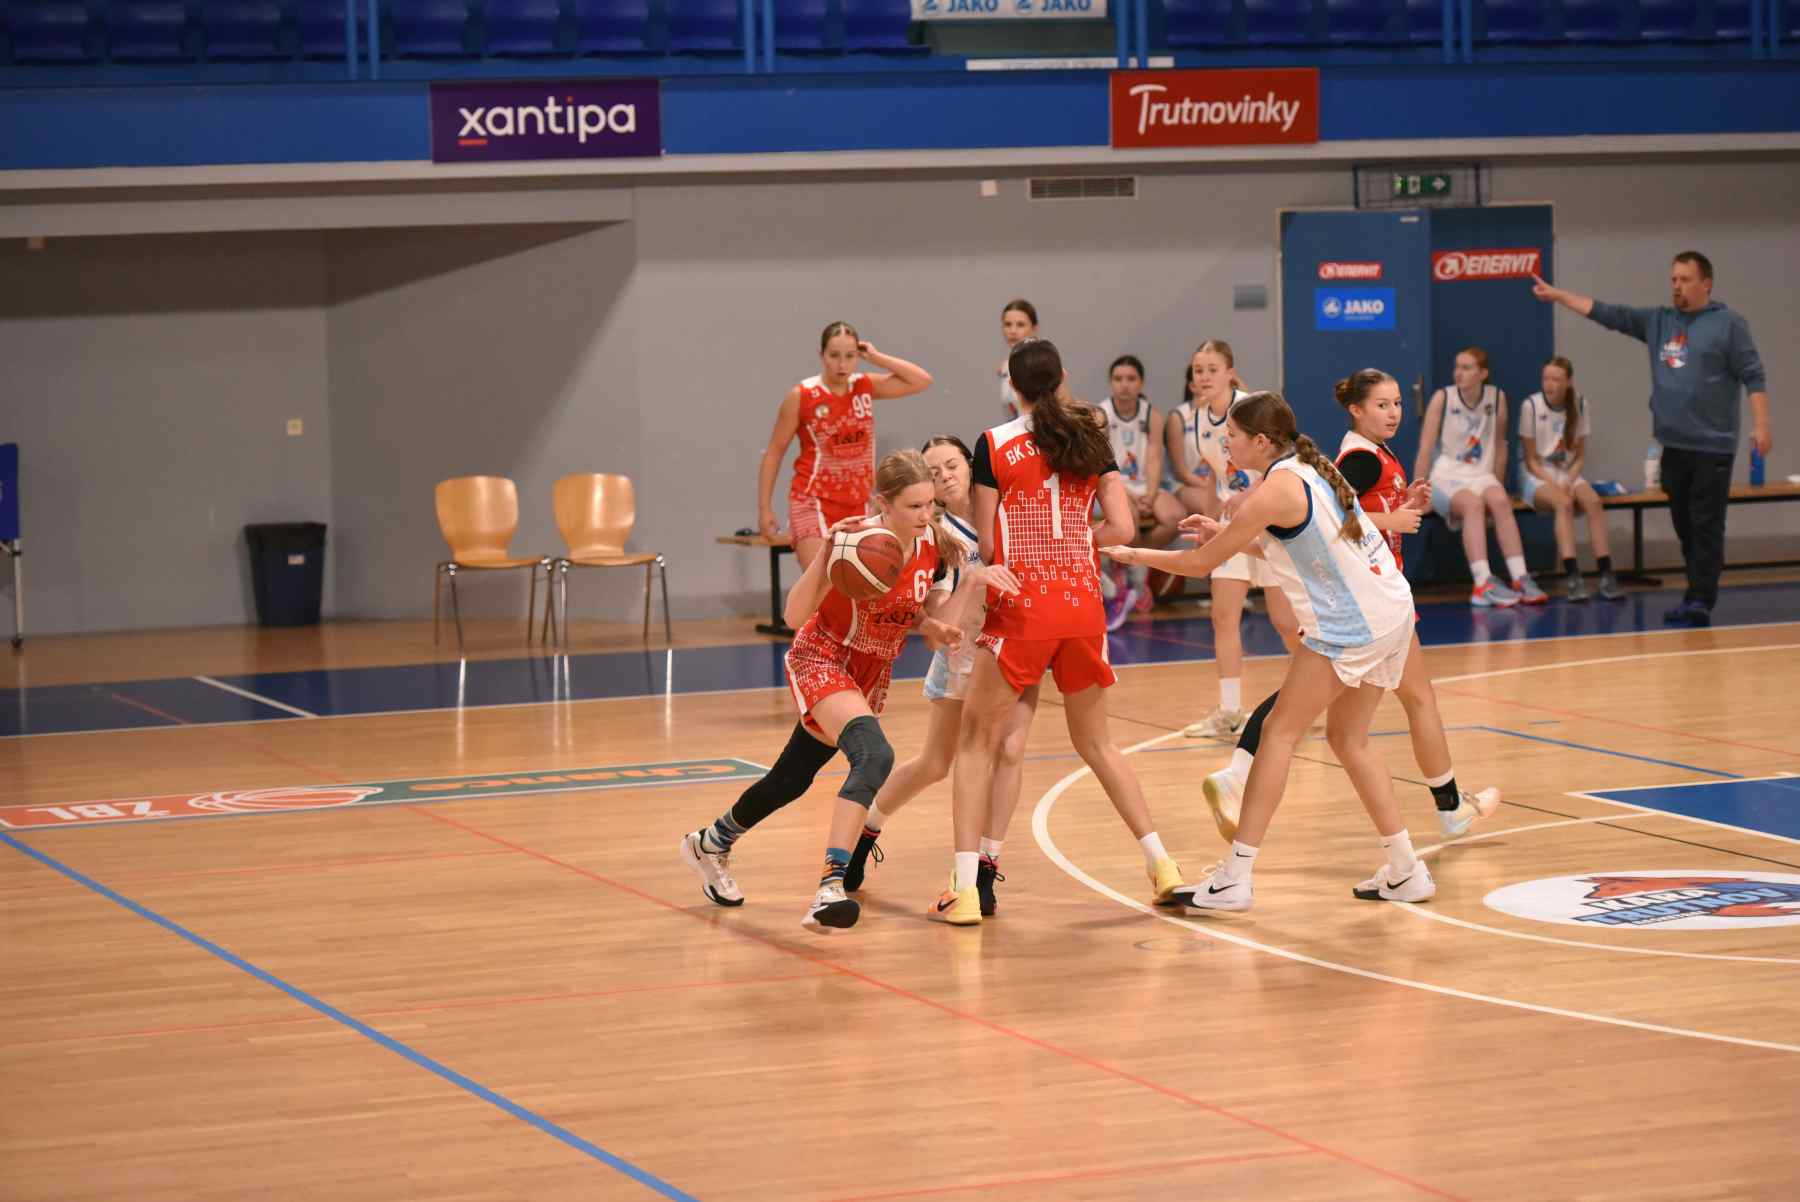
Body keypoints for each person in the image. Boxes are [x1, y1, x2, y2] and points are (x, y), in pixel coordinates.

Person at [1106, 391, 1432, 913]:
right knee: (1348, 739)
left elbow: (1199, 565)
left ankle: (1236, 876)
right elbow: (1297, 541)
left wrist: (1134, 553)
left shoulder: (1275, 489)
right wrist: (1226, 532)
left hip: (1354, 625)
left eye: (1232, 436)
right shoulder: (1309, 466)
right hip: (1391, 610)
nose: (1225, 444)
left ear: (1260, 441)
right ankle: (1406, 869)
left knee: (1278, 733)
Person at [686, 450, 999, 933]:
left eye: (930, 505)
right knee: (875, 757)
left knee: (792, 778)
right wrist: (826, 552)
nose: (925, 515)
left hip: (870, 672)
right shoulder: (855, 542)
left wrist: (949, 607)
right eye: (914, 506)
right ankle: (829, 888)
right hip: (824, 657)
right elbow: (794, 616)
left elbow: (931, 622)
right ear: (884, 503)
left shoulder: (934, 545)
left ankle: (711, 842)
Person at [1194, 370, 1502, 850]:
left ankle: (1439, 817)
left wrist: (1404, 504)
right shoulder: (1358, 458)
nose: (1393, 412)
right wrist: (1391, 517)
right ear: (1356, 410)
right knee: (1359, 710)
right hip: (1363, 602)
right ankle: (1241, 782)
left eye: (1397, 403)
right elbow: (1336, 515)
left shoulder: (1376, 454)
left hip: (1376, 600)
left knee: (1344, 723)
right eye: (1382, 404)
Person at [937, 337, 1187, 925]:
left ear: (1012, 385)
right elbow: (1122, 527)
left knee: (975, 744)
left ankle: (967, 889)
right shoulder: (1091, 434)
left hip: (1023, 607)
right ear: (1063, 377)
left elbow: (989, 544)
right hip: (1081, 609)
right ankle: (1163, 865)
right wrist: (1073, 540)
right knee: (1098, 745)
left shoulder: (993, 443)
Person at [844, 436, 1031, 918]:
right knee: (935, 762)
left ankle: (984, 871)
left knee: (1010, 751)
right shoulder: (939, 538)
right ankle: (866, 830)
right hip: (962, 654)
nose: (945, 476)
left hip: (1013, 647)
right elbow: (938, 620)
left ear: (969, 466)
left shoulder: (1006, 510)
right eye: (934, 471)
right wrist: (973, 584)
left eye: (952, 465)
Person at [1532, 251, 1771, 626]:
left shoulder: (1728, 325)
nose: (1677, 286)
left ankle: (1700, 599)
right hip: (1673, 445)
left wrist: (1762, 425)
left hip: (1713, 445)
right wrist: (1561, 296)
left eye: (1685, 279)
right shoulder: (1660, 321)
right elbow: (1608, 313)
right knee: (1685, 524)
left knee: (1706, 524)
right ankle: (1699, 585)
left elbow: (1753, 375)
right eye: (1673, 279)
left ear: (1706, 284)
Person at [1176, 339, 1299, 738]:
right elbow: (1216, 476)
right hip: (1231, 525)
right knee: (1223, 616)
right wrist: (1208, 523)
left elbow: (1284, 461)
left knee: (1286, 621)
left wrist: (1251, 494)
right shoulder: (1196, 418)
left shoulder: (1252, 408)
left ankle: (1316, 695)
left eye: (1212, 369)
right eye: (1198, 370)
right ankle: (1230, 713)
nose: (1204, 377)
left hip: (1268, 520)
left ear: (1230, 373)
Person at [757, 323, 933, 569]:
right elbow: (775, 452)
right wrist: (765, 508)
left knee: (858, 582)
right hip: (813, 501)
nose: (842, 364)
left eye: (850, 356)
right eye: (834, 356)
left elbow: (922, 380)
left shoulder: (864, 386)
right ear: (821, 355)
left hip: (858, 502)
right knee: (821, 579)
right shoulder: (802, 395)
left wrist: (876, 357)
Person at [1414, 347, 1547, 608]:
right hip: (1446, 477)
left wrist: (1497, 483)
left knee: (1500, 501)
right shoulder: (1443, 398)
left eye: (1466, 368)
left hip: (1480, 474)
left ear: (1483, 373)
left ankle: (1520, 577)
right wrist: (1418, 493)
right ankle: (1482, 583)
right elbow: (1425, 449)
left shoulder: (1496, 398)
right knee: (1473, 504)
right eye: (1457, 367)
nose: (1458, 373)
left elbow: (1499, 445)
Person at [1519, 357, 1624, 602]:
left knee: (1593, 502)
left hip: (1567, 472)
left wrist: (1569, 479)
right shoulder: (1531, 406)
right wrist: (1557, 485)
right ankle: (1573, 577)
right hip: (1537, 473)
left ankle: (1606, 574)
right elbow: (1531, 460)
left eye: (1556, 379)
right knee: (1563, 503)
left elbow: (1580, 457)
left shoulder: (1580, 405)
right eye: (1546, 378)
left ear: (1569, 382)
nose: (1550, 384)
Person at [1096, 354, 1186, 627]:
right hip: (1114, 484)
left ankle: (1136, 565)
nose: (1124, 385)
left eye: (1131, 379)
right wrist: (1130, 494)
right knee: (1128, 520)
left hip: (1147, 484)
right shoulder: (1101, 414)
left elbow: (1155, 457)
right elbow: (1100, 461)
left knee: (1176, 517)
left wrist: (1151, 492)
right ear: (1110, 382)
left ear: (1141, 382)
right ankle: (1135, 581)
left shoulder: (1152, 415)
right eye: (1118, 379)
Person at [997, 299, 1040, 421]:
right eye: (1008, 324)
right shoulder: (1006, 367)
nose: (1013, 331)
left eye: (1020, 325)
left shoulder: (1044, 364)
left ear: (1034, 328)